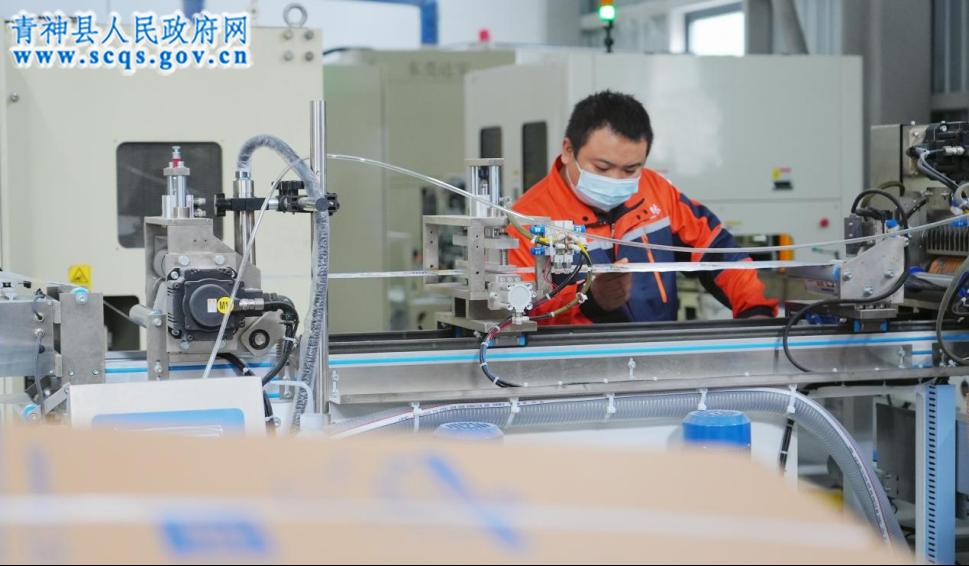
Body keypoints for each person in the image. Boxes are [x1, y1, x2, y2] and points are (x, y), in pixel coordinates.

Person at [508, 90, 777, 324]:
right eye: (602, 167)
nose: (616, 179)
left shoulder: (656, 192)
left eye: (630, 169)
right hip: (577, 361)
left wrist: (756, 311)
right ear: (568, 150)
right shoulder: (526, 221)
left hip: (657, 353)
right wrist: (590, 300)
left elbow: (718, 251)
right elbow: (520, 317)